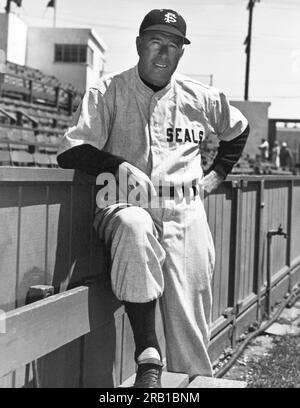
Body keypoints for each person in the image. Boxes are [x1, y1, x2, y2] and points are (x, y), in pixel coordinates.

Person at [57, 9, 249, 388]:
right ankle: (149, 357)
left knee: (190, 323)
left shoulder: (200, 96)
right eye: (156, 42)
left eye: (173, 46)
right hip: (124, 201)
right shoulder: (108, 89)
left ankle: (190, 385)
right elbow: (71, 151)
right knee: (135, 225)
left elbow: (237, 130)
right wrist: (118, 164)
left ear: (181, 53)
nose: (163, 53)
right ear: (139, 45)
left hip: (184, 209)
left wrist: (216, 176)